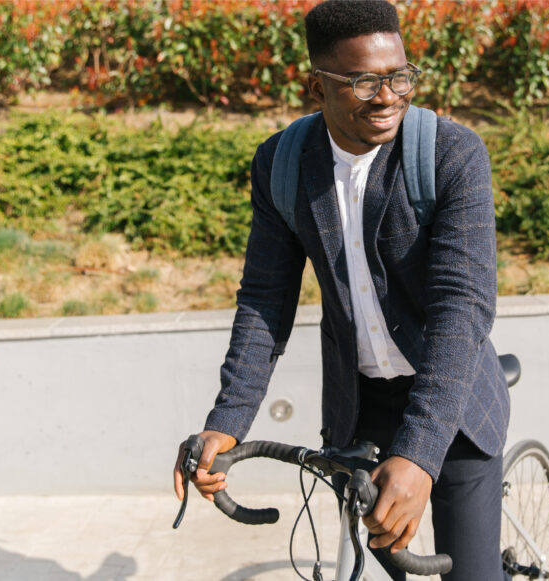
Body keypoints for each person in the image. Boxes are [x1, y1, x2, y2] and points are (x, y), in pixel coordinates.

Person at [173, 1, 510, 578]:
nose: (387, 97)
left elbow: (463, 307)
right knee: (393, 565)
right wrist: (228, 418)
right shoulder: (283, 163)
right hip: (362, 407)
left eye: (399, 76)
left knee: (473, 576)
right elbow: (265, 298)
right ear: (317, 86)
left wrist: (420, 454)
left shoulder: (452, 154)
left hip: (452, 403)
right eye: (363, 82)